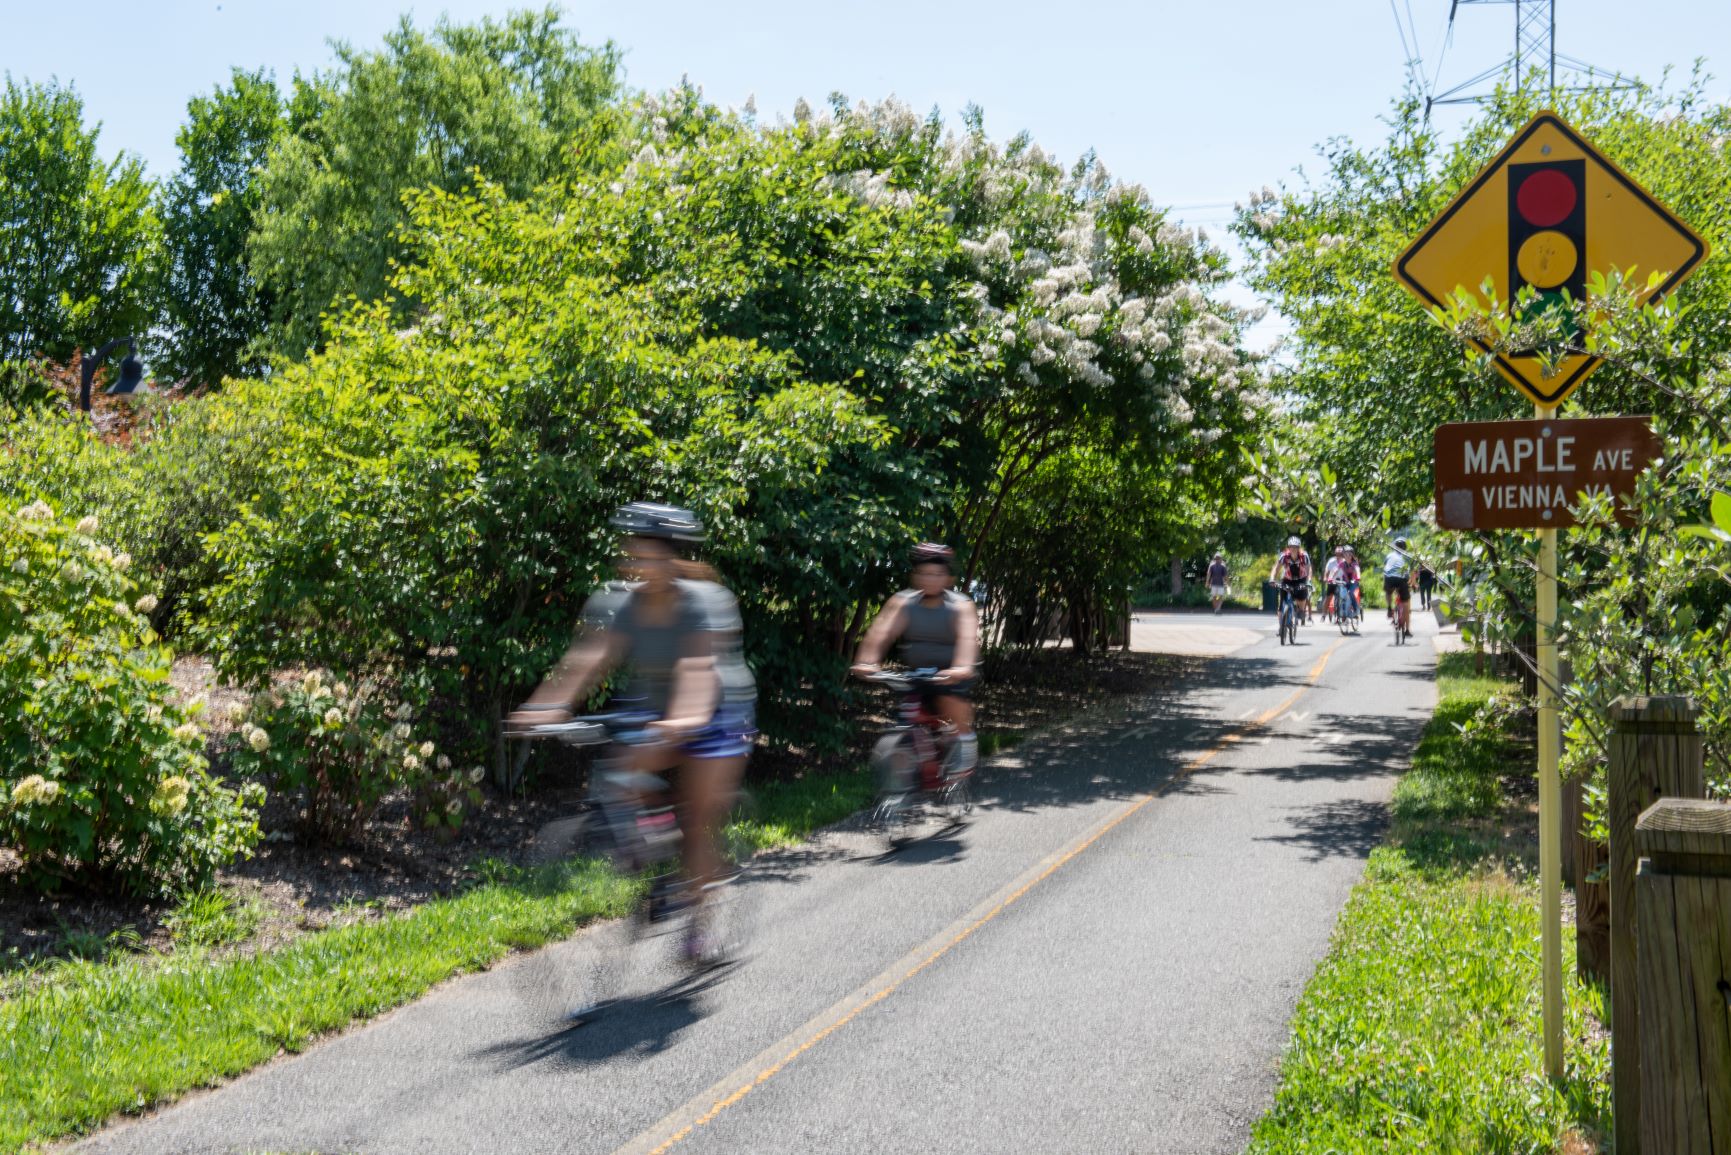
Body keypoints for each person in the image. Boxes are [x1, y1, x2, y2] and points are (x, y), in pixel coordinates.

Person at [507, 503, 755, 962]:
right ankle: (652, 855)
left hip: (716, 713)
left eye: (650, 555)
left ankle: (699, 926)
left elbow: (699, 671)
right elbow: (586, 660)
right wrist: (545, 707)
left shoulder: (703, 603)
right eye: (634, 554)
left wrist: (681, 723)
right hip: (655, 708)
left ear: (673, 559)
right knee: (622, 769)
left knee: (698, 825)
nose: (639, 564)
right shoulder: (619, 601)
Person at [850, 543, 981, 778]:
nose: (930, 579)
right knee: (906, 715)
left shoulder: (961, 606)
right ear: (915, 576)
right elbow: (881, 633)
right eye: (924, 573)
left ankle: (965, 747)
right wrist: (866, 662)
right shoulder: (902, 602)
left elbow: (966, 639)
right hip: (918, 672)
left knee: (950, 702)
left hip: (951, 675)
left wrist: (961, 668)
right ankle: (899, 782)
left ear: (948, 578)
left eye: (937, 574)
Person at [1268, 536, 1311, 626]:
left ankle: (1301, 611)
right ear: (1288, 547)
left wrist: (1308, 581)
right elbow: (1276, 569)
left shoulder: (1304, 556)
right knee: (1281, 604)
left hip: (1301, 579)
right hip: (1287, 579)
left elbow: (1308, 570)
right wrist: (1272, 579)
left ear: (1299, 548)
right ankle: (1281, 627)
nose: (1293, 549)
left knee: (1302, 597)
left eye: (1295, 547)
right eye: (1291, 546)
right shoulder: (1284, 556)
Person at [1383, 537, 1413, 638]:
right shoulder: (1407, 556)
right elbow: (1410, 573)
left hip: (1389, 578)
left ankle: (1389, 608)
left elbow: (1385, 567)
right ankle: (1407, 631)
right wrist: (1411, 583)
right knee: (1405, 604)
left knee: (1388, 592)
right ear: (1405, 547)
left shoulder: (1389, 555)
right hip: (1401, 579)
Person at [1320, 547, 1345, 621]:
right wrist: (1325, 578)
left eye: (1340, 554)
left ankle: (1344, 614)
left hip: (1342, 581)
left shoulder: (1344, 561)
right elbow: (1327, 571)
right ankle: (1323, 615)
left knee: (1344, 597)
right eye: (1337, 553)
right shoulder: (1331, 561)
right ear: (1335, 554)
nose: (1339, 555)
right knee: (1328, 598)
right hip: (1332, 581)